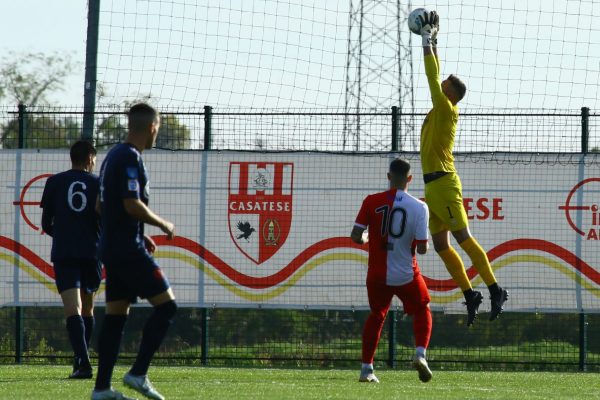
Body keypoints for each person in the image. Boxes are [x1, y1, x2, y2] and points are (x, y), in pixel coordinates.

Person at [417, 10, 508, 326]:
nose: (440, 81)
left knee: (464, 238)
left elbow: (431, 74)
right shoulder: (441, 107)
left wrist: (426, 44)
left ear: (450, 93)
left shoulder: (446, 108)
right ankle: (471, 294)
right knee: (442, 245)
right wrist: (435, 40)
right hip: (433, 185)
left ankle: (496, 289)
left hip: (443, 182)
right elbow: (437, 73)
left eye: (444, 83)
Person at [92, 103, 177, 400]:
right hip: (126, 250)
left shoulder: (112, 155)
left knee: (116, 316)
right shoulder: (130, 157)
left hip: (115, 248)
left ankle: (102, 388)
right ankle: (138, 373)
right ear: (152, 127)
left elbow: (101, 206)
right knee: (167, 306)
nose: (157, 134)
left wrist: (138, 234)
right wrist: (161, 223)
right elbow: (131, 204)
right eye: (158, 129)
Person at [351, 158, 433, 384]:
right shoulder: (420, 206)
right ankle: (420, 354)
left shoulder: (371, 201)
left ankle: (366, 369)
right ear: (410, 178)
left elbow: (356, 236)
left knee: (377, 315)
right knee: (423, 307)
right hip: (406, 274)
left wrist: (368, 237)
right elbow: (423, 249)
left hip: (377, 274)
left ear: (389, 177)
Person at [40, 140, 100, 379]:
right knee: (87, 307)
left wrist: (64, 235)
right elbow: (104, 218)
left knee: (72, 309)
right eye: (94, 159)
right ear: (88, 159)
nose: (95, 163)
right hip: (92, 252)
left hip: (65, 252)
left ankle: (82, 363)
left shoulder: (54, 182)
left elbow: (46, 223)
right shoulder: (98, 183)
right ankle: (81, 360)